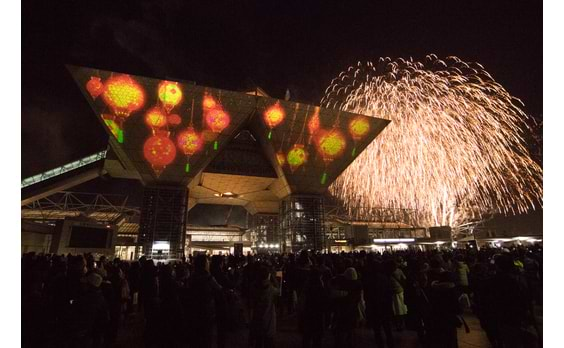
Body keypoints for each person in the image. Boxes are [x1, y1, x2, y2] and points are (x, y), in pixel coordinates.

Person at [182, 254, 222, 348]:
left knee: (197, 335)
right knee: (207, 335)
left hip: (194, 309)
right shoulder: (208, 277)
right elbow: (218, 288)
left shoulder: (192, 277)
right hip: (206, 309)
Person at [425, 271, 462, 348]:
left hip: (436, 319)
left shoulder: (433, 289)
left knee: (439, 340)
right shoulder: (451, 290)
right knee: (450, 340)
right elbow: (457, 307)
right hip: (449, 319)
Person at [363, 258, 395, 348]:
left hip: (374, 308)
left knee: (377, 331)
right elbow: (389, 294)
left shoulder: (368, 280)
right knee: (387, 329)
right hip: (384, 307)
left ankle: (380, 345)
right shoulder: (385, 278)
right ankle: (390, 344)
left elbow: (367, 296)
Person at [249, 264, 279, 348]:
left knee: (258, 341)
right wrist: (273, 277)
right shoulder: (271, 289)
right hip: (268, 319)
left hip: (257, 318)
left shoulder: (253, 287)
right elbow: (279, 290)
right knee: (268, 341)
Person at [300, 269, 328, 348]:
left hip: (308, 313)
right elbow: (325, 303)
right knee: (317, 338)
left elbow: (302, 302)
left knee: (307, 336)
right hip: (318, 315)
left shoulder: (307, 288)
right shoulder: (321, 288)